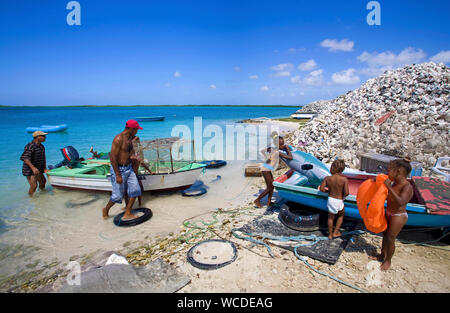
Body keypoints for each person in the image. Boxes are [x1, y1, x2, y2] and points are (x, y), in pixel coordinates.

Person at [370, 157, 413, 271]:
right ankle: (382, 255)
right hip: (388, 212)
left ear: (398, 171)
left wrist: (389, 187)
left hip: (398, 216)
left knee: (390, 238)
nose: (387, 173)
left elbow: (401, 202)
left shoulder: (407, 187)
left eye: (389, 170)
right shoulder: (394, 183)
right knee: (385, 234)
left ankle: (388, 260)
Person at [101, 120, 144, 220]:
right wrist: (118, 175)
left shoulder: (130, 138)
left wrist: (134, 157)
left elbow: (129, 153)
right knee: (117, 196)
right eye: (137, 129)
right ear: (132, 129)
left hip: (129, 168)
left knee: (136, 190)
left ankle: (127, 212)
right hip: (119, 170)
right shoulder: (118, 139)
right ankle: (106, 209)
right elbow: (112, 157)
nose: (137, 131)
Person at [254, 135, 293, 208]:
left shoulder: (272, 148)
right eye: (281, 144)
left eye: (283, 143)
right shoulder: (278, 152)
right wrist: (287, 149)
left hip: (267, 168)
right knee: (269, 187)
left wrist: (266, 157)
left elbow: (262, 151)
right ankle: (257, 200)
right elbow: (290, 157)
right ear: (277, 145)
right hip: (266, 170)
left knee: (272, 186)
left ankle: (269, 202)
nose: (283, 145)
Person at [319, 159, 349, 240]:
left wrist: (328, 191)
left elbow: (321, 189)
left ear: (333, 168)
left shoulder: (328, 178)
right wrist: (342, 195)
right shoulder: (344, 180)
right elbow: (346, 193)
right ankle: (336, 232)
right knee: (341, 215)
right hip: (339, 200)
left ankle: (330, 234)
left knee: (330, 217)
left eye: (331, 166)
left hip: (331, 200)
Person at [20, 131, 49, 197]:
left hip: (38, 168)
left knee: (43, 182)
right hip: (29, 169)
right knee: (34, 186)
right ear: (37, 137)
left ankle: (42, 195)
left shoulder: (41, 146)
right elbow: (25, 158)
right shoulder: (30, 146)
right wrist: (33, 168)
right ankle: (31, 198)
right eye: (43, 136)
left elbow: (43, 158)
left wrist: (44, 168)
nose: (45, 137)